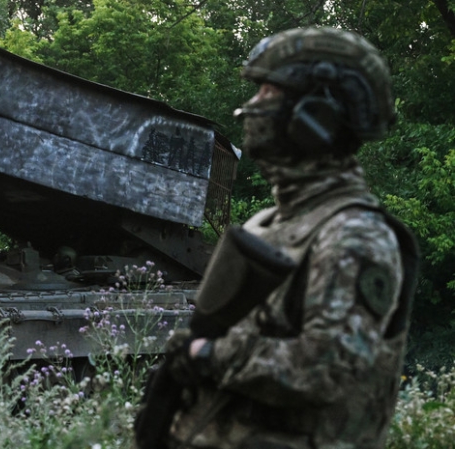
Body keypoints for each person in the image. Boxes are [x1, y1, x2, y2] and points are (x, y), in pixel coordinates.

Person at [137, 27, 419, 449]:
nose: (250, 107)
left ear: (315, 117)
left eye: (268, 92)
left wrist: (205, 356)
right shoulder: (269, 223)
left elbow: (321, 370)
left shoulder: (355, 236)